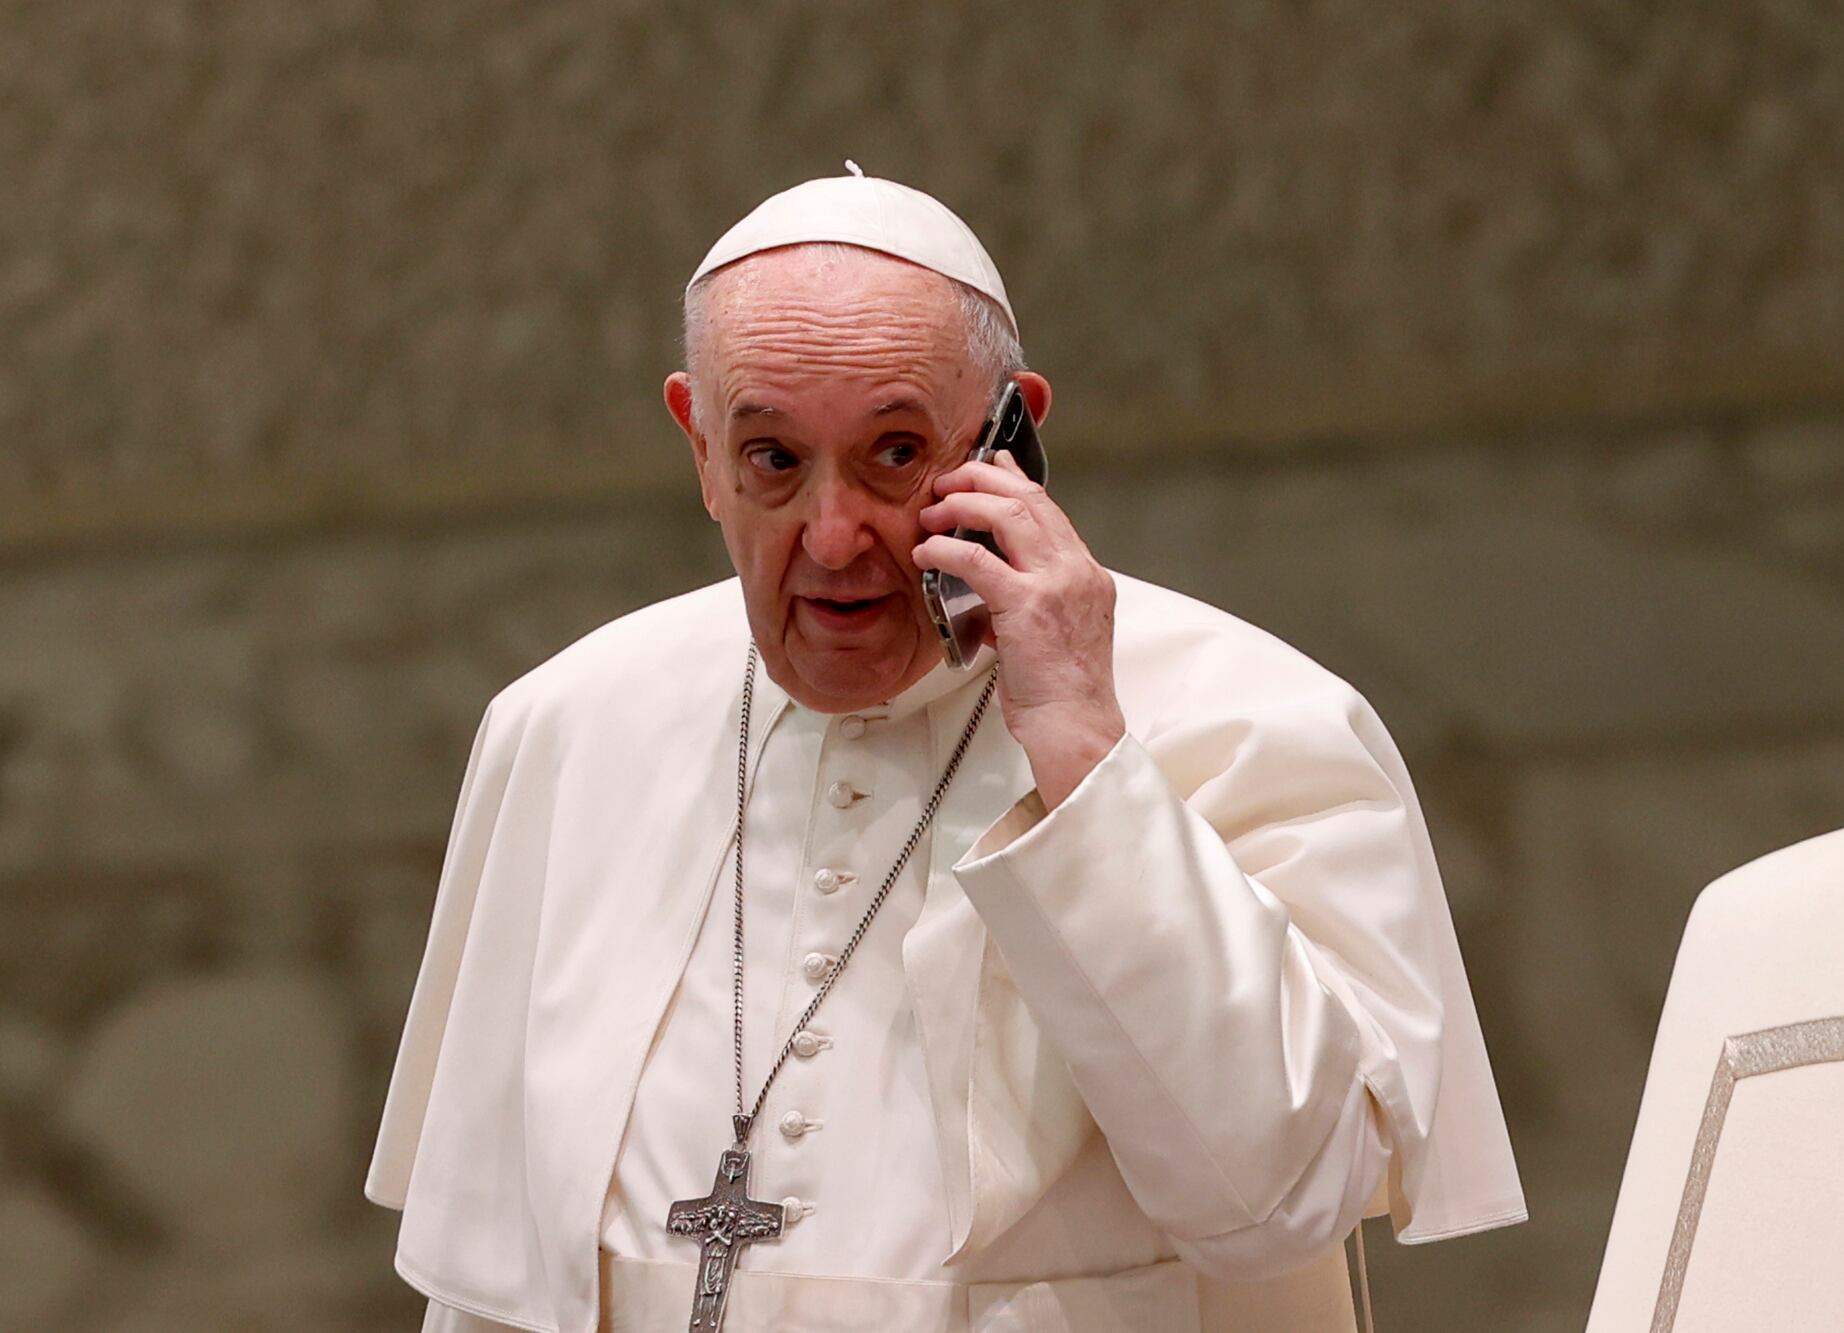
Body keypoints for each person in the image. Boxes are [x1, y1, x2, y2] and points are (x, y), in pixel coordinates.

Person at [367, 166, 1526, 1333]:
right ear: (700, 448)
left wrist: (1083, 749)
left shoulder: (1254, 716)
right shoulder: (568, 725)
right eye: (772, 458)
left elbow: (1285, 1201)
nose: (832, 536)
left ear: (1012, 431)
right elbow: (493, 1284)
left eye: (894, 452)